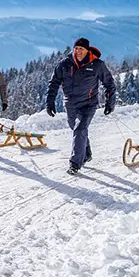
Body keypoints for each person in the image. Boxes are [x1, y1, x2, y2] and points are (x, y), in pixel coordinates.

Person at [47, 37, 116, 175]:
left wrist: (110, 102)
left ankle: (75, 164)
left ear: (87, 50)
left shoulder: (96, 65)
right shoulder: (64, 64)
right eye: (76, 48)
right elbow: (54, 83)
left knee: (79, 130)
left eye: (81, 49)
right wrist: (50, 102)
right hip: (70, 104)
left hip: (88, 104)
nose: (78, 51)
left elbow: (109, 84)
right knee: (76, 129)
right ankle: (87, 153)